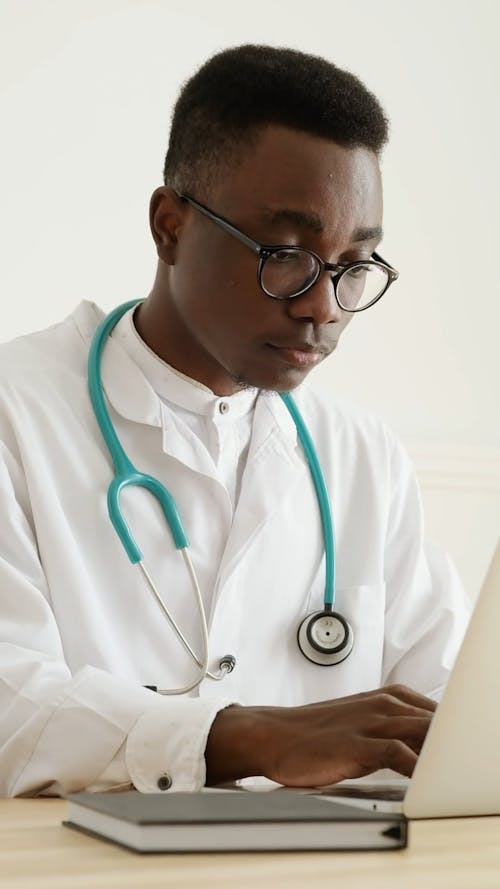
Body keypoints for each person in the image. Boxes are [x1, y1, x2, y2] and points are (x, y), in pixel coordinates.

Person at [0, 45, 469, 797]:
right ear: (170, 226)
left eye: (355, 264)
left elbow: (453, 715)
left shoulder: (360, 458)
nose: (324, 306)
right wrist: (240, 737)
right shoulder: (15, 414)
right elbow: (10, 705)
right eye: (287, 254)